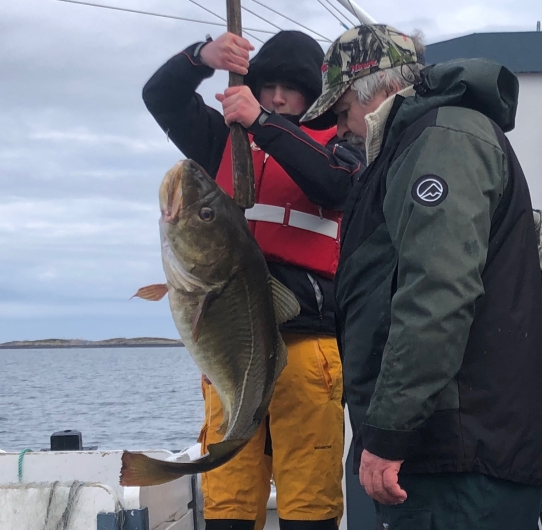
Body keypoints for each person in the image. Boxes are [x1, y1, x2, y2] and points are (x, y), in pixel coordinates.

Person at [300, 24, 542, 529]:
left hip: (458, 463)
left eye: (340, 110)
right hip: (452, 455)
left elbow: (437, 293)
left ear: (371, 88)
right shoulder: (426, 140)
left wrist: (389, 433)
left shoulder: (441, 141)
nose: (341, 128)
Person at [142, 30, 364, 530]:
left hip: (309, 348)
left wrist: (263, 123)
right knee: (228, 502)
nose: (277, 96)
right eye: (267, 85)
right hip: (233, 350)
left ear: (317, 96)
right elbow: (161, 96)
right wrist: (201, 57)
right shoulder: (223, 139)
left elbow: (332, 184)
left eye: (293, 88)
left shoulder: (343, 147)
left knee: (310, 507)